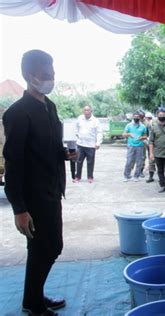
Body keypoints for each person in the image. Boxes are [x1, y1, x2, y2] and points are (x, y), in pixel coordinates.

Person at [3, 50, 77, 316]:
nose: (51, 80)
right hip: (33, 195)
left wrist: (66, 154)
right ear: (29, 76)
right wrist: (19, 209)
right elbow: (13, 164)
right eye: (46, 75)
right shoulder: (17, 113)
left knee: (45, 247)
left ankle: (33, 297)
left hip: (52, 189)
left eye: (53, 75)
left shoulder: (50, 106)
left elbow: (50, 146)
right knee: (47, 246)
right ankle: (33, 303)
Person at [73, 104, 103, 183]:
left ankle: (90, 177)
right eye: (85, 110)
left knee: (90, 162)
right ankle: (77, 177)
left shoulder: (95, 121)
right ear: (83, 111)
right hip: (80, 144)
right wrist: (77, 134)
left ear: (91, 111)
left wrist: (98, 143)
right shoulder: (80, 118)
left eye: (88, 110)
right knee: (79, 161)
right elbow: (76, 127)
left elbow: (99, 132)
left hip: (91, 145)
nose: (86, 112)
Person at [149, 108, 165, 192]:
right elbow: (151, 142)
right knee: (160, 171)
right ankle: (163, 185)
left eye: (163, 115)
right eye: (160, 115)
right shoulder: (154, 128)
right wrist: (151, 154)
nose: (161, 116)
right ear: (157, 116)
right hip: (158, 153)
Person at [122, 112, 148, 182]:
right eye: (135, 116)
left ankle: (136, 176)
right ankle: (126, 176)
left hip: (140, 146)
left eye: (137, 116)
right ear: (133, 117)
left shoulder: (143, 126)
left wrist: (142, 137)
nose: (136, 118)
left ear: (139, 118)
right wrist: (129, 134)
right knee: (129, 161)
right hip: (131, 146)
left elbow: (146, 136)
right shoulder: (129, 125)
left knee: (139, 162)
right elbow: (123, 135)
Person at [144, 112, 156, 183]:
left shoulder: (149, 124)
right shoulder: (154, 123)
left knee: (151, 160)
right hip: (154, 144)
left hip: (152, 145)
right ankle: (152, 176)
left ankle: (151, 177)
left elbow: (148, 135)